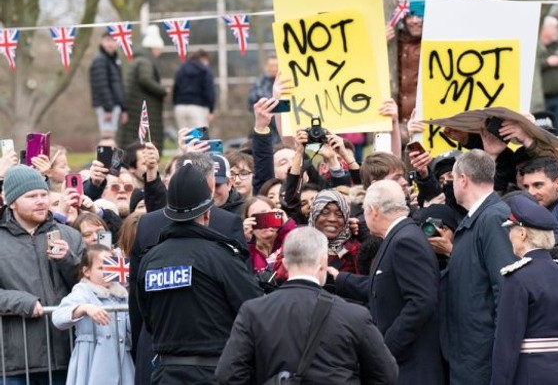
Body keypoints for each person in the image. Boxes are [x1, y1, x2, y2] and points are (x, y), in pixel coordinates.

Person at [215, 227, 398, 385]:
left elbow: (228, 373)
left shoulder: (253, 312)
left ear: (285, 263)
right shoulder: (354, 315)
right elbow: (386, 373)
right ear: (323, 262)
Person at [129, 153, 248, 385]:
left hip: (165, 369)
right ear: (207, 212)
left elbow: (143, 312)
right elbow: (247, 306)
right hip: (212, 369)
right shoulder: (221, 254)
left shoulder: (150, 258)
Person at [332, 180, 444, 385]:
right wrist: (340, 278)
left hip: (412, 367)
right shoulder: (398, 236)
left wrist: (386, 347)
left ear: (373, 210)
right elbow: (386, 287)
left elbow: (422, 301)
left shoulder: (405, 240)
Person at [0, 165, 84, 384]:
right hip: (16, 362)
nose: (40, 201)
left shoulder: (70, 235)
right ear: (12, 202)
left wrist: (69, 260)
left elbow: (90, 284)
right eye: (31, 196)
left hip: (67, 355)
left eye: (43, 194)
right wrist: (22, 302)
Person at [491, 194, 558, 385]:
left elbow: (506, 345)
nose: (509, 237)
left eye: (511, 230)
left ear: (523, 234)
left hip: (529, 375)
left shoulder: (517, 278)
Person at [442, 150, 517, 385]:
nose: (452, 185)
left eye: (453, 179)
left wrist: (502, 351)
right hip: (470, 350)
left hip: (483, 354)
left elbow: (506, 287)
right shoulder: (479, 219)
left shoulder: (493, 219)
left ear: (463, 179)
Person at [52, 244, 134, 385]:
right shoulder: (83, 291)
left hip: (121, 359)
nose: (107, 272)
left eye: (110, 266)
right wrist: (84, 308)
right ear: (87, 271)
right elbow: (58, 317)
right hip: (91, 359)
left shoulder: (122, 294)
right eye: (101, 268)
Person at [119, 25, 167, 151]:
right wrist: (163, 90)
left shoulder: (138, 60)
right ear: (154, 48)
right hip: (141, 107)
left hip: (134, 106)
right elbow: (145, 79)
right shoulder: (145, 62)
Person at [386, 0, 424, 122]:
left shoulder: (435, 44)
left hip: (423, 122)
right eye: (410, 15)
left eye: (420, 15)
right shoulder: (394, 43)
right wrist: (381, 44)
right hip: (395, 121)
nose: (415, 20)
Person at [90, 32, 126, 141]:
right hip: (107, 107)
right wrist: (108, 108)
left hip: (115, 105)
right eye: (107, 40)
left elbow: (118, 85)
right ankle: (104, 158)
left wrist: (123, 108)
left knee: (112, 136)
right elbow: (101, 85)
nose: (110, 44)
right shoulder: (100, 61)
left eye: (113, 40)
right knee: (107, 136)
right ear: (102, 42)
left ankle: (109, 158)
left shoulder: (114, 61)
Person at [173, 49, 215, 129]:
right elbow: (209, 91)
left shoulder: (181, 69)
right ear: (204, 59)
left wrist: (176, 103)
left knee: (184, 137)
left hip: (180, 107)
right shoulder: (205, 70)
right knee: (200, 138)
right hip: (198, 108)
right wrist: (211, 109)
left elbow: (175, 89)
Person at [247, 55, 281, 144]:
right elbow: (251, 103)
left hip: (283, 128)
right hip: (266, 126)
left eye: (276, 66)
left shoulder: (285, 83)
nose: (274, 69)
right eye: (271, 66)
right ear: (266, 67)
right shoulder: (259, 84)